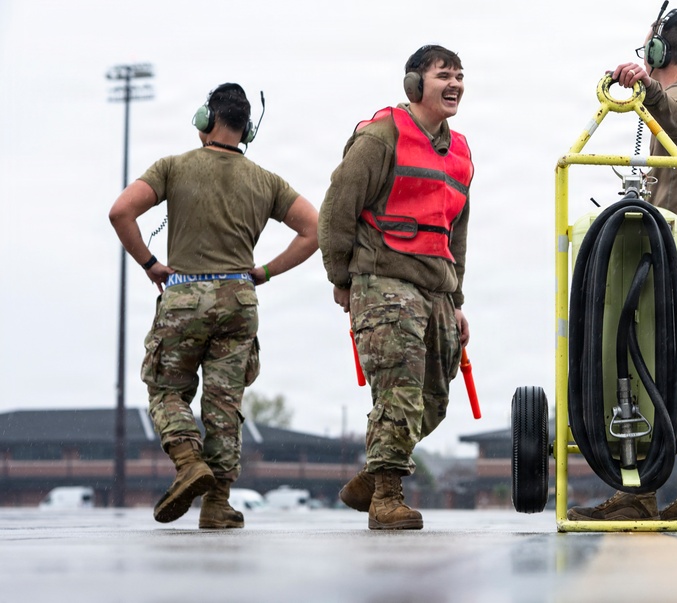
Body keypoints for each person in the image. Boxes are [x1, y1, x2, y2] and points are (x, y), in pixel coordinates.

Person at [108, 83, 319, 529]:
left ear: (206, 121)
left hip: (184, 295)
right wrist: (264, 271)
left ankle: (188, 461)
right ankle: (218, 504)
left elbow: (120, 212)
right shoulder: (267, 181)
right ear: (248, 131)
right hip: (239, 298)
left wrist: (149, 263)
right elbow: (315, 229)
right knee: (224, 403)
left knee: (166, 390)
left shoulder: (172, 167)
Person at [568, 2, 677, 528]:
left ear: (659, 52)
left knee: (648, 363)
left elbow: (676, 115)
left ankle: (637, 490)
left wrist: (647, 85)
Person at [318, 45, 473, 531]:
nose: (454, 85)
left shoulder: (462, 152)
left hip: (437, 289)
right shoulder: (381, 136)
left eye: (460, 76)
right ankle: (386, 497)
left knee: (435, 398)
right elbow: (336, 209)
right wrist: (342, 279)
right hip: (384, 281)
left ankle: (371, 474)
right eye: (443, 75)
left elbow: (456, 234)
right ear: (414, 85)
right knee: (399, 391)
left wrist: (457, 301)